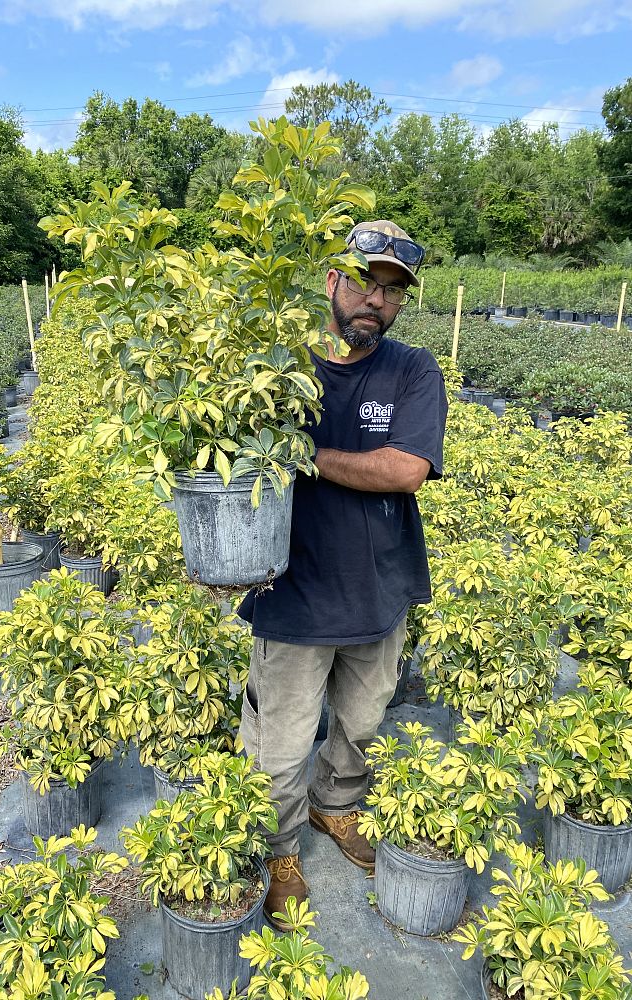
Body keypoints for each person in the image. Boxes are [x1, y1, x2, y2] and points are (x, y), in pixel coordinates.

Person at [237, 219, 448, 928]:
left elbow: (406, 469)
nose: (376, 301)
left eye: (392, 291)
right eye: (364, 280)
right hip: (292, 591)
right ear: (332, 279)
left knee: (361, 722)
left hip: (381, 588)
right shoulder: (279, 371)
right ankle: (279, 849)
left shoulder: (413, 370)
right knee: (281, 740)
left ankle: (336, 807)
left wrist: (305, 455)